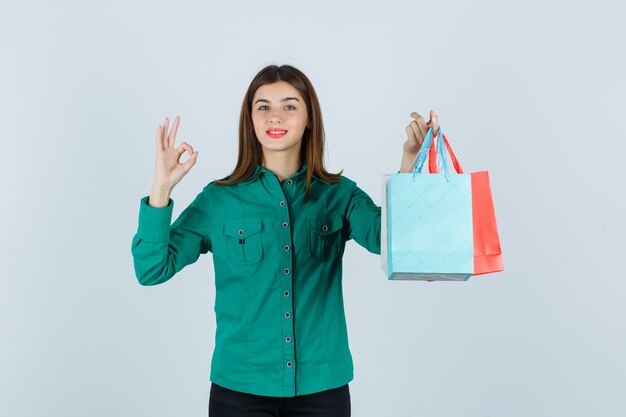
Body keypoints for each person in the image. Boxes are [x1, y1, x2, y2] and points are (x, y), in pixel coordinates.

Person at [130, 64, 440, 417]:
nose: (275, 116)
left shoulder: (340, 195)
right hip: (239, 390)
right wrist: (161, 188)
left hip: (322, 389)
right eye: (263, 107)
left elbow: (399, 245)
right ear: (250, 120)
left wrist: (410, 167)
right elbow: (151, 269)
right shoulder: (219, 199)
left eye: (289, 106)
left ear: (309, 119)